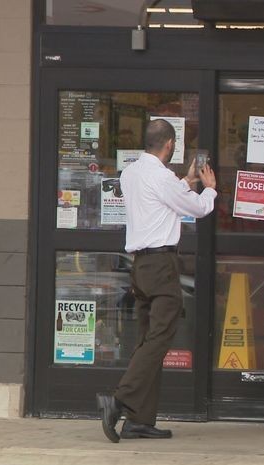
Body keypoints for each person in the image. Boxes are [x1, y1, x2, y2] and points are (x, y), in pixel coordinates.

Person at [97, 119, 217, 442]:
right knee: (160, 337)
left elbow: (166, 199)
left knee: (148, 338)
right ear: (169, 145)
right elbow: (196, 208)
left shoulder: (132, 173)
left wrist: (187, 179)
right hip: (162, 265)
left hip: (140, 266)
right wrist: (211, 189)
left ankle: (139, 420)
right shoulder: (161, 177)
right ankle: (119, 400)